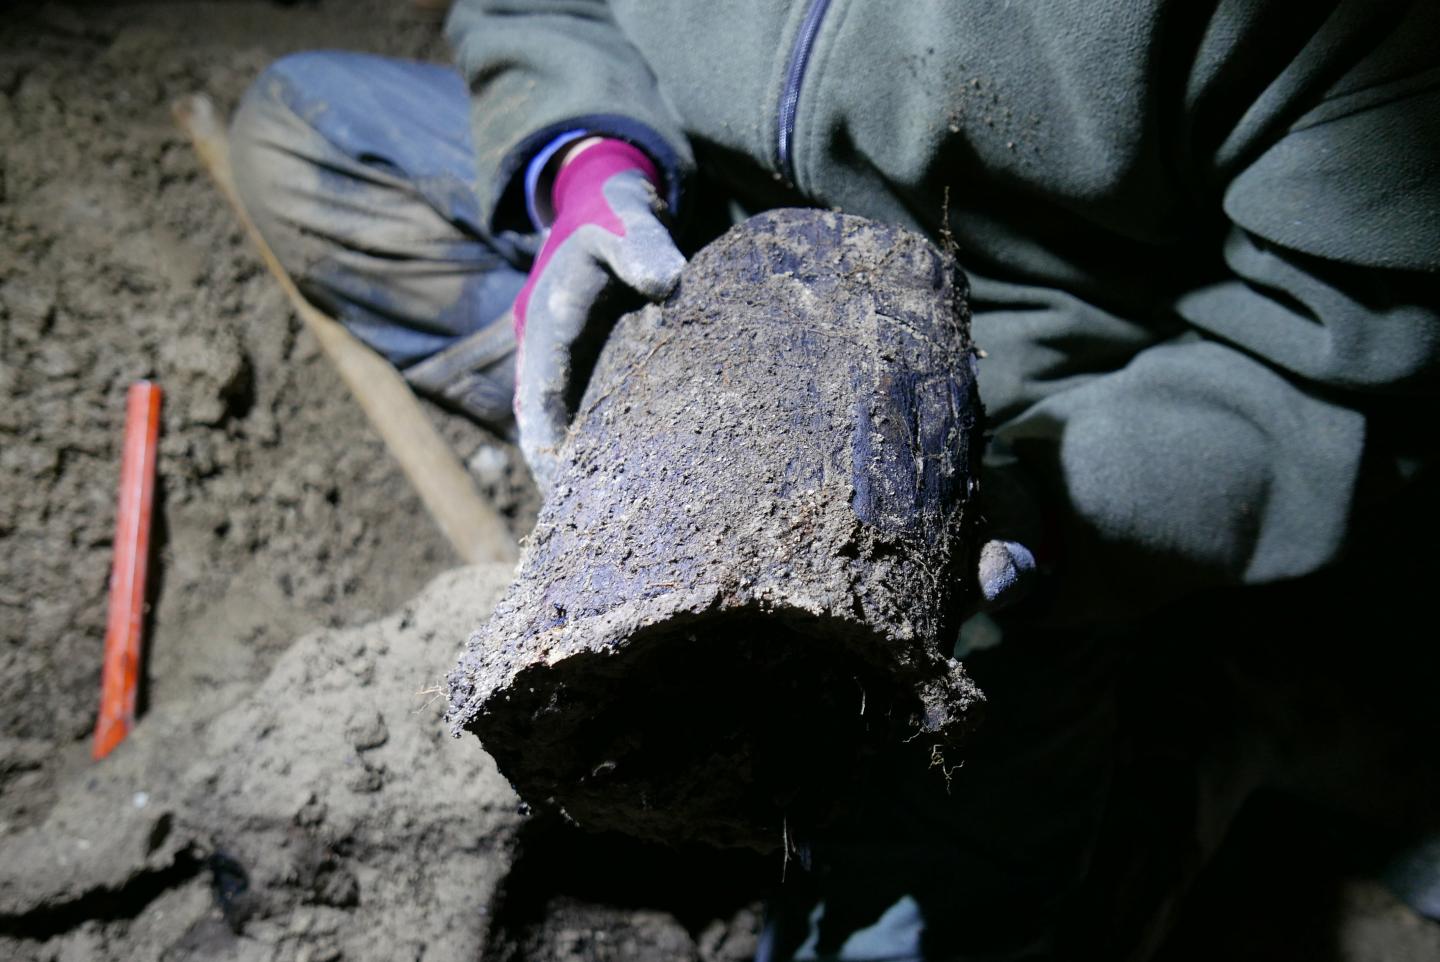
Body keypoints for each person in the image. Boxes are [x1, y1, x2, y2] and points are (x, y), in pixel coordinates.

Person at [229, 1, 1440, 958]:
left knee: (924, 905)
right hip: (694, 251)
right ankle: (637, 451)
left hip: (1026, 395)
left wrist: (1068, 507)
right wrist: (580, 153)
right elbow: (538, 6)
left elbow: (1352, 355)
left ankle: (1158, 749)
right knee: (307, 128)